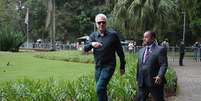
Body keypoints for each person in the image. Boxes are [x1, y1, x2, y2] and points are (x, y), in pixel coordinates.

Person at [84, 13, 126, 101]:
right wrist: (92, 44)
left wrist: (122, 66)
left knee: (99, 88)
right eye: (99, 22)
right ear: (96, 24)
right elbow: (85, 48)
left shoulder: (113, 35)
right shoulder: (93, 36)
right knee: (102, 90)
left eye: (103, 22)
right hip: (98, 66)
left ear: (106, 23)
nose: (101, 24)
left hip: (109, 66)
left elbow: (120, 52)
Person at [136, 31, 168, 101]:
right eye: (143, 37)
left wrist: (160, 76)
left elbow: (163, 64)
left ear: (153, 39)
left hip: (154, 82)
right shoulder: (141, 50)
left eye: (146, 37)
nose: (144, 39)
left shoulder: (160, 50)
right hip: (142, 82)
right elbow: (139, 66)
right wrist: (138, 79)